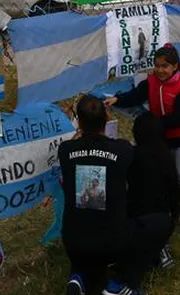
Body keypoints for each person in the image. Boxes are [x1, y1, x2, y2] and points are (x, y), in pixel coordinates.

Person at [59, 95, 160, 295]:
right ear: (106, 119)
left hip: (73, 240)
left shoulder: (65, 150)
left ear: (78, 121)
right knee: (159, 222)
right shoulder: (122, 149)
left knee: (86, 243)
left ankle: (78, 277)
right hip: (113, 242)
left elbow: (74, 144)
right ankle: (122, 282)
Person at [104, 43, 180, 230]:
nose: (160, 70)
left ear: (175, 67)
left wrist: (154, 124)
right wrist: (117, 99)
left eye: (165, 66)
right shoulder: (151, 81)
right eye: (157, 65)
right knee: (161, 174)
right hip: (160, 138)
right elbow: (136, 95)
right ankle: (169, 206)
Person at [129, 112, 180, 269]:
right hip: (163, 218)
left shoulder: (133, 156)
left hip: (136, 217)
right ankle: (161, 247)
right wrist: (175, 214)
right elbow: (174, 192)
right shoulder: (167, 157)